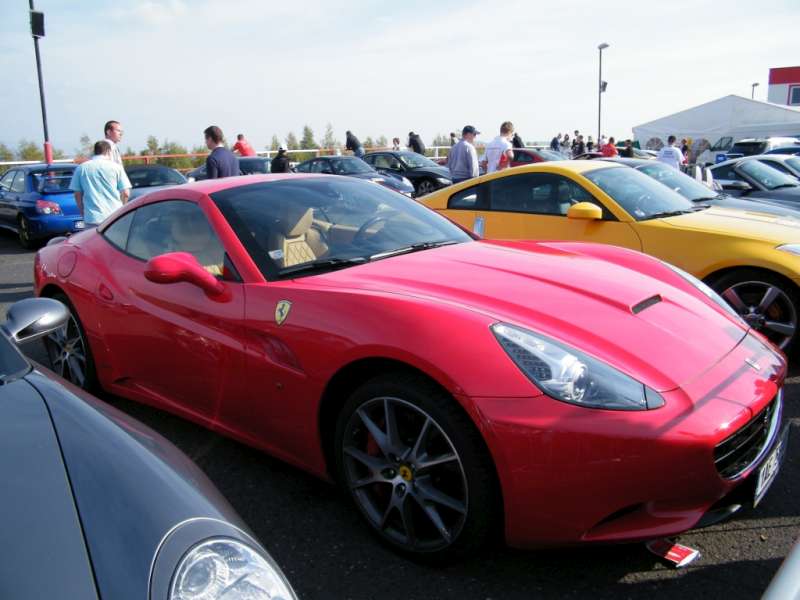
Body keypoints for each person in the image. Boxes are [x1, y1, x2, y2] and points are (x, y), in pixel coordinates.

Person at [69, 140, 131, 227]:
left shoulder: (81, 168)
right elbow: (126, 193)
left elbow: (77, 194)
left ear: (95, 152)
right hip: (114, 217)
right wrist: (121, 209)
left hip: (92, 217)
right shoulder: (116, 167)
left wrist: (83, 212)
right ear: (109, 151)